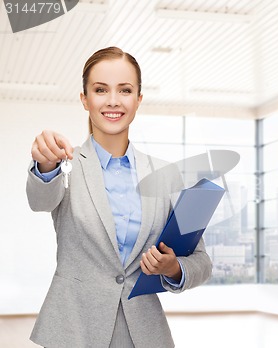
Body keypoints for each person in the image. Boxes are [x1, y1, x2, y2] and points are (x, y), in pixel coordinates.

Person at [26, 47, 212, 347]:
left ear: (138, 99)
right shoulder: (65, 163)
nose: (113, 100)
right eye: (101, 90)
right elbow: (41, 201)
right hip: (74, 330)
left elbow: (201, 261)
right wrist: (45, 165)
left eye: (125, 90)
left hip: (143, 331)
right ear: (85, 99)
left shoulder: (163, 176)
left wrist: (172, 268)